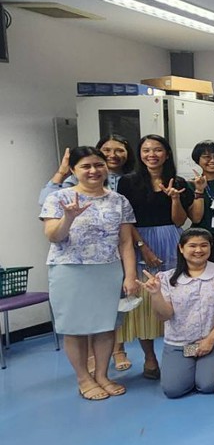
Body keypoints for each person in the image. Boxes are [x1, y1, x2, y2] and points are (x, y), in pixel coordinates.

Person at [40, 146, 139, 400]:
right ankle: (84, 378)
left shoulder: (119, 200)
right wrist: (68, 217)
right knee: (74, 328)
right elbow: (54, 236)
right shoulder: (58, 198)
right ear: (73, 170)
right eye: (86, 166)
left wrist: (129, 275)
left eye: (98, 165)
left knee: (105, 326)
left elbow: (125, 242)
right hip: (69, 269)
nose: (93, 170)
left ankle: (102, 375)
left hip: (108, 269)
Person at [116, 134, 198, 380]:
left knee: (179, 297)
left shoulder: (179, 181)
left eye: (157, 150)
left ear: (167, 153)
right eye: (146, 150)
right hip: (139, 241)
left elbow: (180, 221)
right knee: (145, 301)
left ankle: (185, 355)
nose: (152, 154)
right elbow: (126, 221)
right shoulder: (128, 182)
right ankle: (150, 358)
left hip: (172, 239)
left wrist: (175, 198)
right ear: (140, 154)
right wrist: (143, 247)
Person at [141, 228, 214, 398]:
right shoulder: (166, 278)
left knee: (207, 384)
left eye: (204, 245)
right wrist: (155, 294)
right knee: (173, 390)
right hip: (180, 344)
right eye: (192, 246)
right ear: (181, 248)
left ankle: (202, 366)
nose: (198, 250)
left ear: (210, 247)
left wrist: (210, 339)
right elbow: (164, 315)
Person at [38, 133, 132, 207]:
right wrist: (61, 172)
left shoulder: (134, 179)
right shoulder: (82, 177)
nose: (113, 155)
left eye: (120, 150)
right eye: (107, 150)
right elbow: (45, 202)